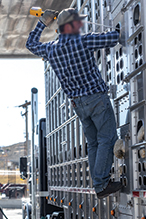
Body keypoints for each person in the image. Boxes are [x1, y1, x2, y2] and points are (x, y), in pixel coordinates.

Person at [26, 8, 122, 199]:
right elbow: (113, 38)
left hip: (78, 104)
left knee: (94, 143)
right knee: (107, 139)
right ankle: (101, 184)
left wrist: (43, 23)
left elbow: (31, 44)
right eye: (78, 22)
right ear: (71, 25)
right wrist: (120, 28)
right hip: (96, 98)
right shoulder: (84, 41)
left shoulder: (52, 49)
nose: (81, 24)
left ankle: (100, 183)